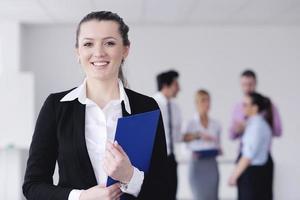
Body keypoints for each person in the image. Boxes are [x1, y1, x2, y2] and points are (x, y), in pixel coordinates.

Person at [22, 11, 168, 200]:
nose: (98, 52)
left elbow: (163, 188)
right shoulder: (56, 107)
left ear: (125, 50)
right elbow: (33, 186)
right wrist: (81, 197)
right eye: (88, 44)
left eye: (109, 43)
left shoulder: (146, 107)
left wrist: (130, 177)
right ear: (78, 52)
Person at [229, 92, 273, 200]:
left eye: (245, 105)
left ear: (255, 108)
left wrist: (234, 176)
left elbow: (248, 155)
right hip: (257, 174)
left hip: (253, 176)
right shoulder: (254, 124)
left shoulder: (256, 127)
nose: (242, 107)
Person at [182, 89, 221, 200]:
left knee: (213, 197)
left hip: (212, 165)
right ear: (197, 103)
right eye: (203, 100)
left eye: (208, 100)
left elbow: (218, 145)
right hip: (196, 166)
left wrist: (217, 149)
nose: (207, 104)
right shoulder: (189, 124)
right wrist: (193, 154)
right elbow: (183, 148)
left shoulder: (216, 124)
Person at [153, 70, 182, 200]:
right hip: (156, 160)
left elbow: (175, 136)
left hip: (171, 159)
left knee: (171, 195)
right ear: (165, 85)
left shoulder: (175, 107)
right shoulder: (151, 104)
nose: (179, 88)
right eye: (176, 84)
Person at [229, 69, 282, 139]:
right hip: (245, 148)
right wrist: (238, 129)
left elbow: (278, 132)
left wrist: (260, 123)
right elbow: (231, 136)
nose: (247, 88)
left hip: (261, 148)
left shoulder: (268, 105)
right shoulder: (238, 107)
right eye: (244, 85)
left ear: (255, 83)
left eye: (250, 84)